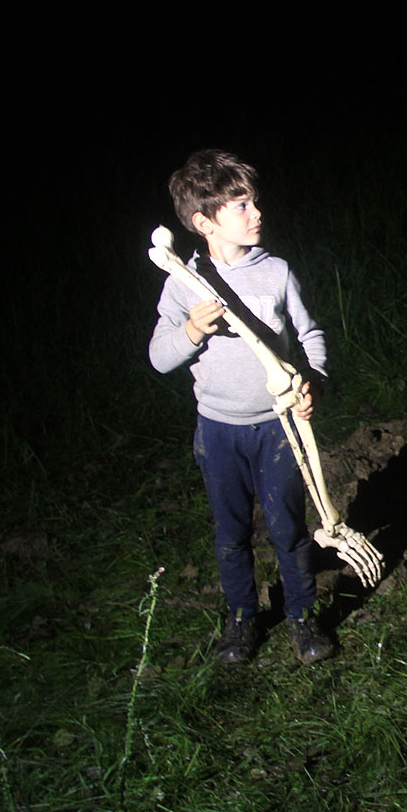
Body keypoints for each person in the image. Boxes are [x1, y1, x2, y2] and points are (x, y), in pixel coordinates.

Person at [149, 149, 336, 662]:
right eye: (240, 205)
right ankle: (242, 618)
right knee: (231, 532)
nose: (257, 213)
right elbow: (160, 357)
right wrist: (192, 330)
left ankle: (301, 616)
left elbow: (310, 331)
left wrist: (313, 380)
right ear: (203, 222)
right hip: (218, 431)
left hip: (278, 428)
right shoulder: (184, 283)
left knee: (288, 528)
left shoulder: (275, 272)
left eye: (254, 202)